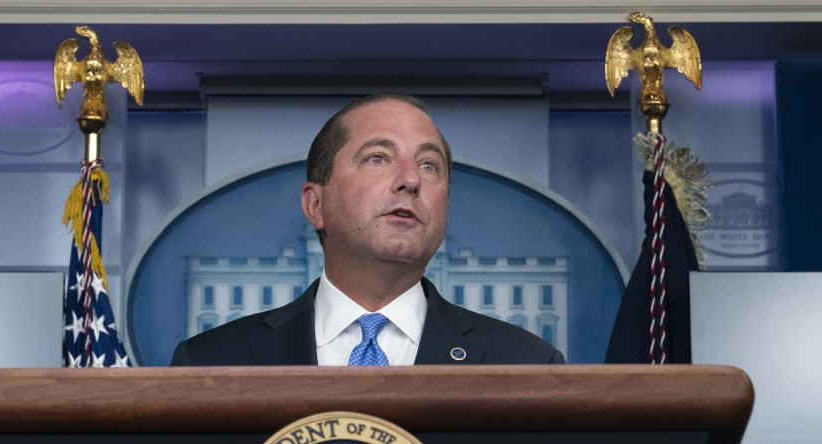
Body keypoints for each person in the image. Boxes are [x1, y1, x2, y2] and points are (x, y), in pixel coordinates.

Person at [171, 94, 564, 366]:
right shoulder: (211, 362)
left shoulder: (526, 363)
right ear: (316, 205)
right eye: (378, 158)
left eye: (429, 165)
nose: (411, 180)